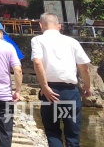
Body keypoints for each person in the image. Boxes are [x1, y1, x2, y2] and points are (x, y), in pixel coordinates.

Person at [31, 12, 92, 147]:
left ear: (41, 25)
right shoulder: (72, 42)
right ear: (59, 26)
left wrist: (45, 86)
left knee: (53, 132)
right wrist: (87, 87)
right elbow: (84, 67)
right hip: (70, 91)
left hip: (50, 91)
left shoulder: (37, 40)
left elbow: (37, 62)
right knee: (72, 133)